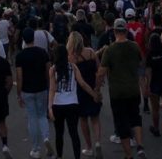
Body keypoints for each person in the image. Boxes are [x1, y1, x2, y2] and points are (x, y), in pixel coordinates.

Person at [99, 17, 146, 159]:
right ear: (126, 30)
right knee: (135, 118)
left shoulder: (110, 50)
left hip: (117, 92)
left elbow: (101, 71)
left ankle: (128, 155)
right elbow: (141, 62)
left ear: (114, 31)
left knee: (122, 124)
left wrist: (97, 87)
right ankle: (139, 146)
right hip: (133, 89)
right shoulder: (134, 46)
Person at [48, 40, 98, 159]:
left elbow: (52, 89)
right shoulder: (73, 67)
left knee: (59, 133)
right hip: (72, 104)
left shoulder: (53, 69)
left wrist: (49, 107)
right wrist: (94, 94)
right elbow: (82, 83)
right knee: (74, 133)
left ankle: (59, 156)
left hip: (58, 104)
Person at [16, 26, 52, 158]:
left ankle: (36, 148)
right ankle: (46, 138)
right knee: (42, 115)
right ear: (34, 38)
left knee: (32, 118)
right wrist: (49, 86)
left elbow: (19, 77)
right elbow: (48, 71)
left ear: (24, 40)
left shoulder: (20, 56)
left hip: (27, 89)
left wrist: (18, 93)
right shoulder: (43, 52)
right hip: (41, 87)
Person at [70, 30, 103, 159]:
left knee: (83, 119)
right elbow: (99, 70)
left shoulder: (71, 58)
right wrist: (98, 88)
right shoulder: (90, 52)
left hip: (80, 91)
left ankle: (89, 147)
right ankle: (98, 142)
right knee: (95, 118)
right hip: (93, 87)